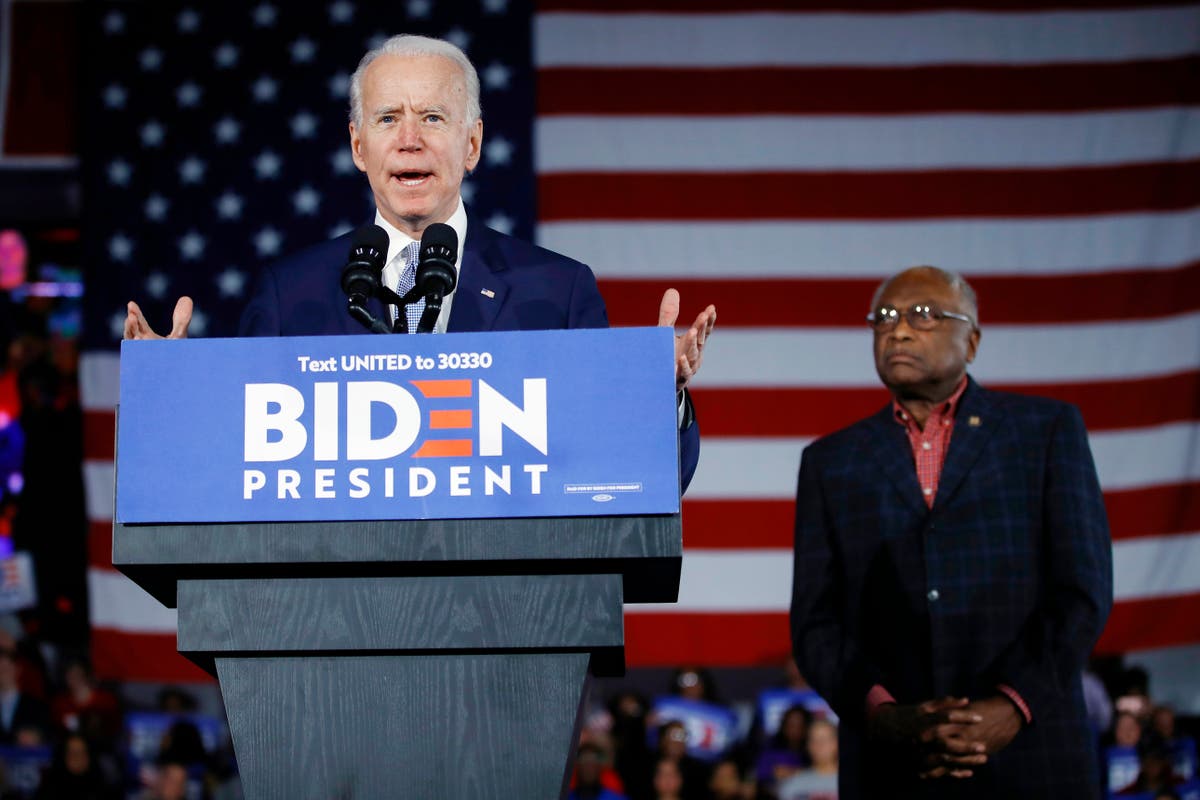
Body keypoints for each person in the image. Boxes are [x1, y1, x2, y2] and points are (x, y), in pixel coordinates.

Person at [122, 34, 715, 489]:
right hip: (332, 623)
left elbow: (632, 475)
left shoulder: (556, 291)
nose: (410, 139)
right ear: (359, 147)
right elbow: (236, 464)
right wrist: (173, 397)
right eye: (387, 119)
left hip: (510, 623)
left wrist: (657, 397)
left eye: (432, 117)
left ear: (472, 144)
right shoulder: (289, 295)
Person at [789, 266, 1113, 798]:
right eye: (885, 318)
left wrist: (1012, 705)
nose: (898, 331)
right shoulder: (830, 461)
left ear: (974, 341)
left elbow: (1081, 593)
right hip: (891, 762)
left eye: (924, 315)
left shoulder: (1047, 431)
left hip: (1033, 754)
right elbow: (816, 622)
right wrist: (882, 715)